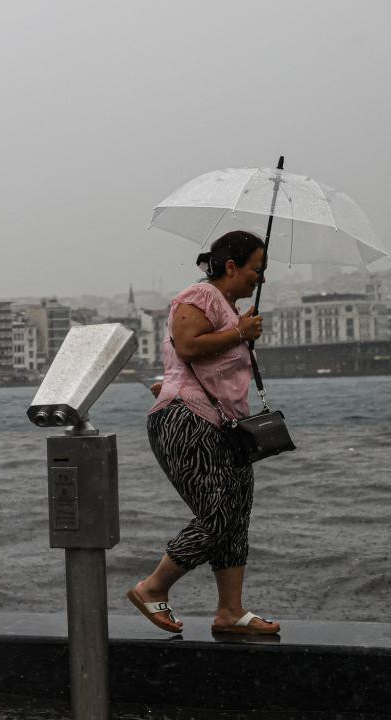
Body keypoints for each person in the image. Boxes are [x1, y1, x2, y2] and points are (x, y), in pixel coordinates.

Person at [129, 230, 280, 635]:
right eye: (256, 269)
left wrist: (238, 330)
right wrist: (240, 334)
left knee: (236, 515)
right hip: (187, 419)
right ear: (231, 266)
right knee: (218, 514)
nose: (260, 279)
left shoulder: (229, 307)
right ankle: (153, 587)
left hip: (226, 426)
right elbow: (188, 346)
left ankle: (230, 612)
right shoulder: (201, 296)